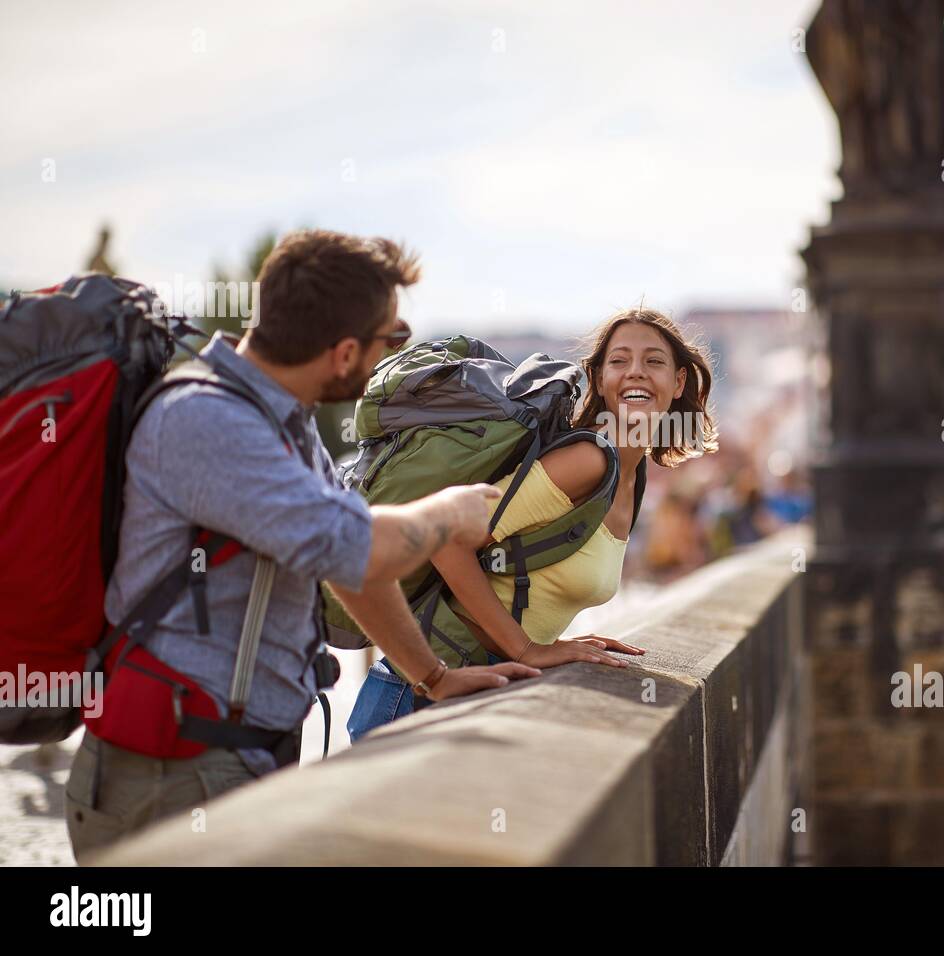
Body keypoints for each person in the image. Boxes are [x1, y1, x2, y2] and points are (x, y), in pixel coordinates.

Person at [64, 230, 539, 860]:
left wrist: (433, 677)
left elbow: (349, 569)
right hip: (174, 774)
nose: (388, 358)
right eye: (389, 340)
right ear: (344, 351)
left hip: (230, 760)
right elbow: (358, 548)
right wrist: (450, 512)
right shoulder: (209, 421)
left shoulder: (279, 417)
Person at [348, 306, 718, 739]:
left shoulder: (632, 476)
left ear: (678, 382)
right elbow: (446, 541)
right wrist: (527, 648)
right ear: (599, 380)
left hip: (471, 686)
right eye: (619, 361)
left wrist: (557, 642)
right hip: (420, 693)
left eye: (653, 361)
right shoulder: (590, 461)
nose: (635, 372)